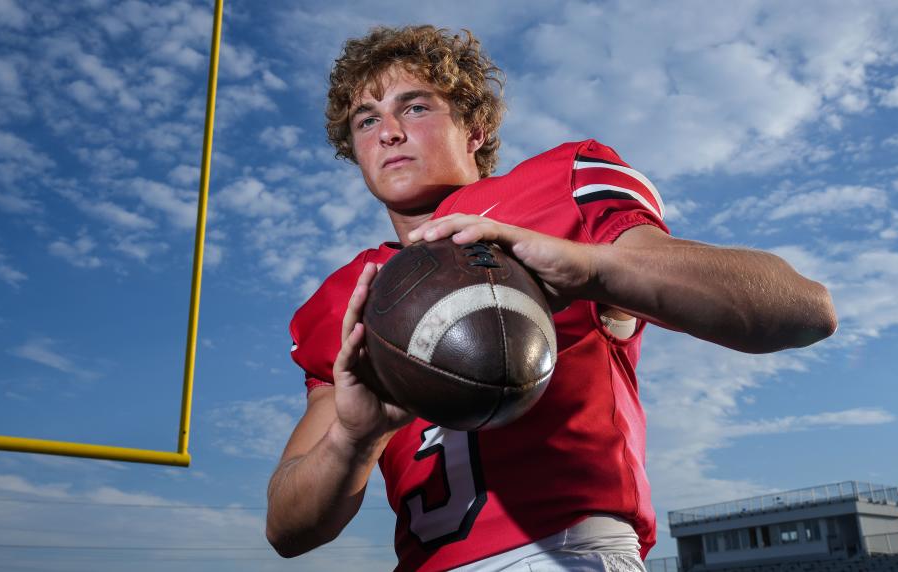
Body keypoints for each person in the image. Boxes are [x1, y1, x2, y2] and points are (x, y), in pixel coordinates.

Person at [265, 25, 837, 571]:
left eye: (415, 107)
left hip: (563, 553)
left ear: (475, 129)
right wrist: (354, 439)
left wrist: (593, 267)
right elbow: (287, 529)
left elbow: (805, 311)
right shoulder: (347, 293)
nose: (388, 131)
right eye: (367, 120)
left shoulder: (556, 187)